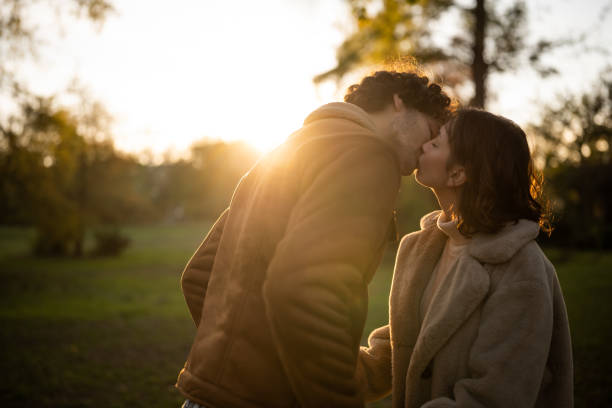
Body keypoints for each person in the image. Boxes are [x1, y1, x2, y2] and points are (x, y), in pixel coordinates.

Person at [175, 70, 453, 408]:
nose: (427, 148)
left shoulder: (287, 149)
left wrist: (245, 362)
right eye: (430, 131)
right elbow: (307, 289)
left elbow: (200, 276)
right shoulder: (370, 155)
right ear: (399, 103)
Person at [357, 108, 574, 407]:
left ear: (458, 173)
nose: (423, 145)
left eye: (435, 143)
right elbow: (402, 350)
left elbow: (494, 397)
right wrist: (317, 363)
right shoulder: (418, 249)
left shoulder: (522, 269)